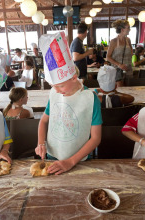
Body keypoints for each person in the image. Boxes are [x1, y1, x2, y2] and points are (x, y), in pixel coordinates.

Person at [37, 32, 102, 175]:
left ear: (74, 77)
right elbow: (43, 121)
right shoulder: (55, 93)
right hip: (52, 156)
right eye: (53, 86)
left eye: (60, 86)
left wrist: (71, 161)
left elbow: (96, 138)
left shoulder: (91, 99)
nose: (57, 91)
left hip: (79, 161)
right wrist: (41, 143)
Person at [107, 20, 133, 87]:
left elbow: (131, 52)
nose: (129, 29)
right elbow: (108, 57)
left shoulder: (128, 40)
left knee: (128, 90)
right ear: (122, 29)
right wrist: (119, 65)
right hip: (117, 70)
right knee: (120, 91)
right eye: (128, 28)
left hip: (128, 69)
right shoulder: (114, 41)